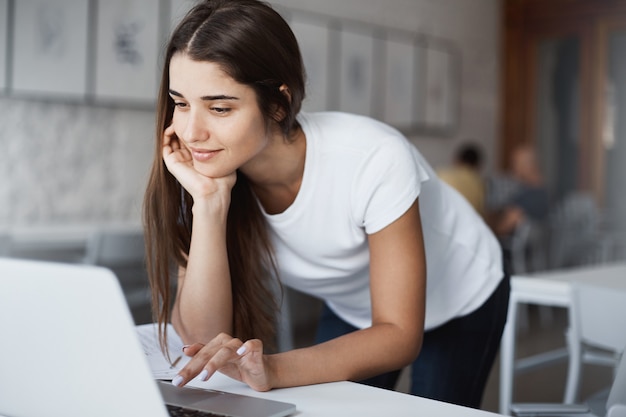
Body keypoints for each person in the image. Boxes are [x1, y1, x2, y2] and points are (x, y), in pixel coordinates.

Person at [143, 0, 509, 409]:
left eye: (220, 107)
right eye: (181, 102)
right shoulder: (202, 172)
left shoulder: (372, 158)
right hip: (354, 305)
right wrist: (209, 205)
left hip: (460, 292)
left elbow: (400, 333)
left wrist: (276, 369)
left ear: (279, 104)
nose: (191, 132)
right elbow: (201, 346)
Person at [437, 142, 486, 218]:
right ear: (478, 165)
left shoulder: (442, 174)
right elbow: (480, 213)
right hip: (467, 225)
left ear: (457, 160)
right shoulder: (479, 184)